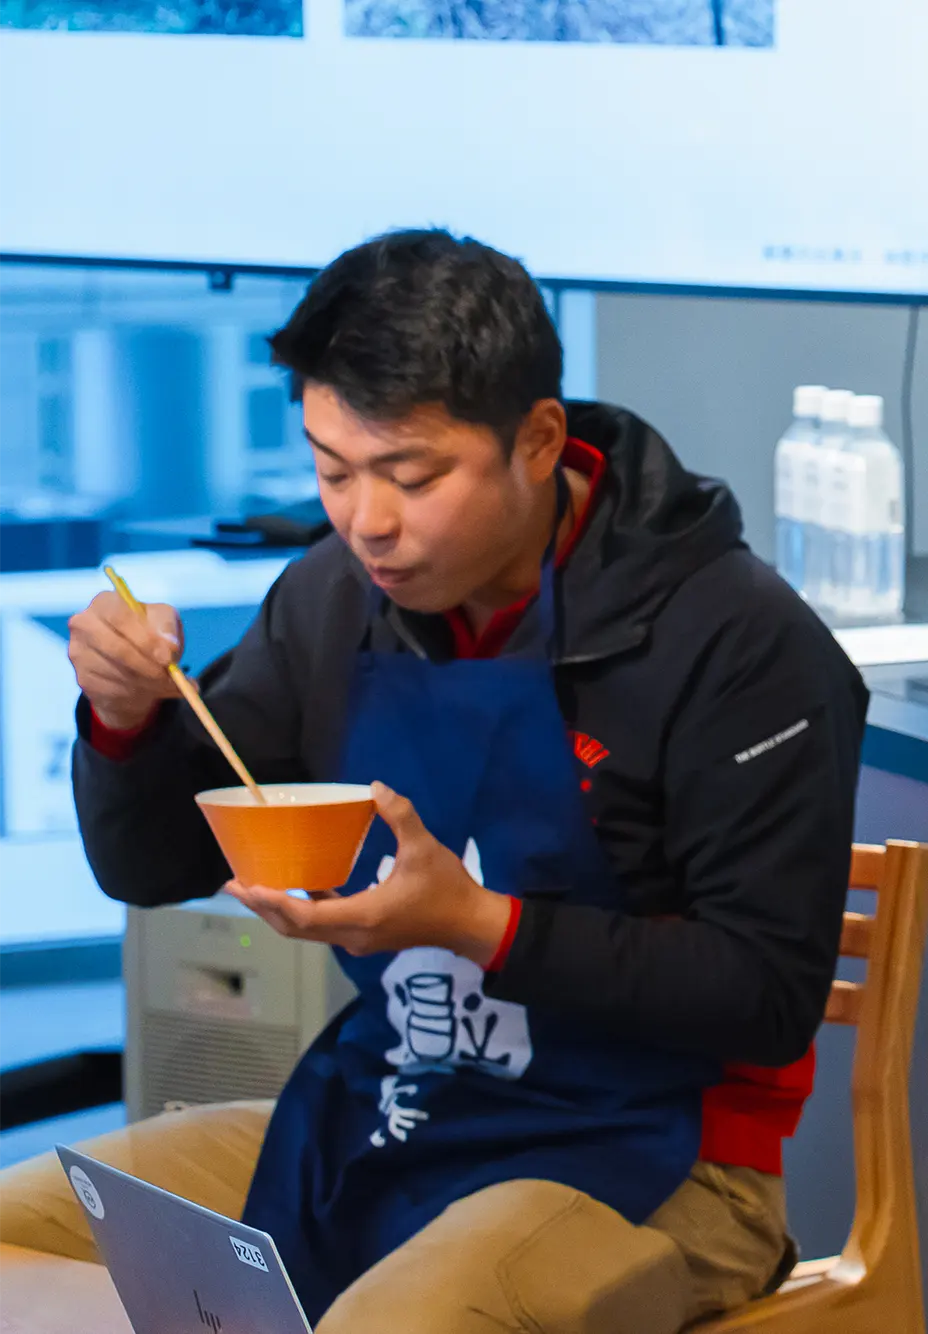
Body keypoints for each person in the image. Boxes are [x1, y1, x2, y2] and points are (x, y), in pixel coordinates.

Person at [0, 229, 867, 1332]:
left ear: (539, 439)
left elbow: (764, 994)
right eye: (330, 470)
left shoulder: (735, 638)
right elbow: (151, 862)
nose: (366, 518)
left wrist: (482, 923)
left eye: (411, 475)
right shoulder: (332, 599)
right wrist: (123, 721)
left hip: (665, 1158)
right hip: (394, 1105)